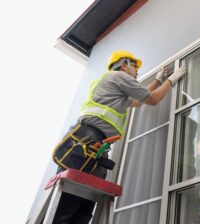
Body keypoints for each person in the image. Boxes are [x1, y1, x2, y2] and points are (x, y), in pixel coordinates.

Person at [49, 50, 186, 223]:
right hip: (88, 142)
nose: (137, 72)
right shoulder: (118, 77)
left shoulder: (112, 84)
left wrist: (158, 80)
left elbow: (137, 101)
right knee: (69, 204)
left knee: (83, 205)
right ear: (124, 65)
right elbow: (152, 100)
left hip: (93, 144)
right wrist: (171, 80)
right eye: (135, 67)